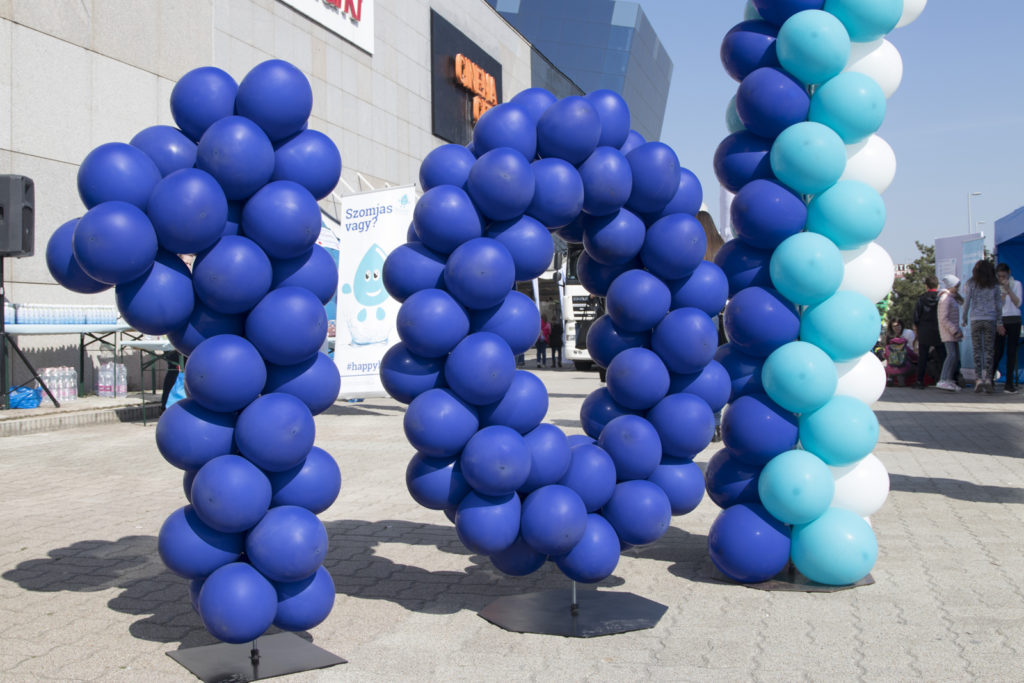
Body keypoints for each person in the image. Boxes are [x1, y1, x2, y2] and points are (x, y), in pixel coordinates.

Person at [961, 259, 1005, 393]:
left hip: (975, 319)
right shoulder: (994, 284)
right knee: (989, 350)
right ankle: (988, 379)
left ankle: (978, 379)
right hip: (990, 319)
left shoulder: (971, 283)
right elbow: (998, 304)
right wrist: (999, 322)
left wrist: (964, 317)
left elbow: (967, 301)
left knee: (977, 350)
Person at [993, 263, 1022, 393]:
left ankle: (1009, 384)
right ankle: (989, 380)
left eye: (1004, 276)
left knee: (1011, 352)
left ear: (1009, 273)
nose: (1001, 279)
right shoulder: (995, 287)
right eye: (999, 276)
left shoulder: (1017, 284)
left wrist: (1009, 290)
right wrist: (1003, 294)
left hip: (1014, 320)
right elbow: (998, 305)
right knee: (998, 351)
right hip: (1001, 320)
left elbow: (1018, 303)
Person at [912, 275, 945, 388]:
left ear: (926, 286)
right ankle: (945, 379)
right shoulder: (941, 298)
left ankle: (919, 381)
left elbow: (916, 317)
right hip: (939, 331)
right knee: (943, 356)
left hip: (924, 330)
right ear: (938, 286)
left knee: (923, 357)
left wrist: (917, 330)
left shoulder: (921, 299)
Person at [936, 274, 964, 392]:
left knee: (955, 356)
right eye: (956, 286)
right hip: (948, 332)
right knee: (951, 356)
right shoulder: (945, 298)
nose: (957, 289)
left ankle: (948, 379)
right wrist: (954, 330)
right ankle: (943, 379)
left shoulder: (950, 297)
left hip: (951, 332)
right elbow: (943, 318)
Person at [882, 318, 917, 386]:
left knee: (891, 368)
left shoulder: (888, 347)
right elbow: (913, 355)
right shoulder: (905, 347)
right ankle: (901, 380)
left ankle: (890, 379)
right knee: (907, 369)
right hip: (904, 368)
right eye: (894, 326)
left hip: (890, 368)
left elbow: (886, 356)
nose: (896, 328)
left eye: (898, 325)